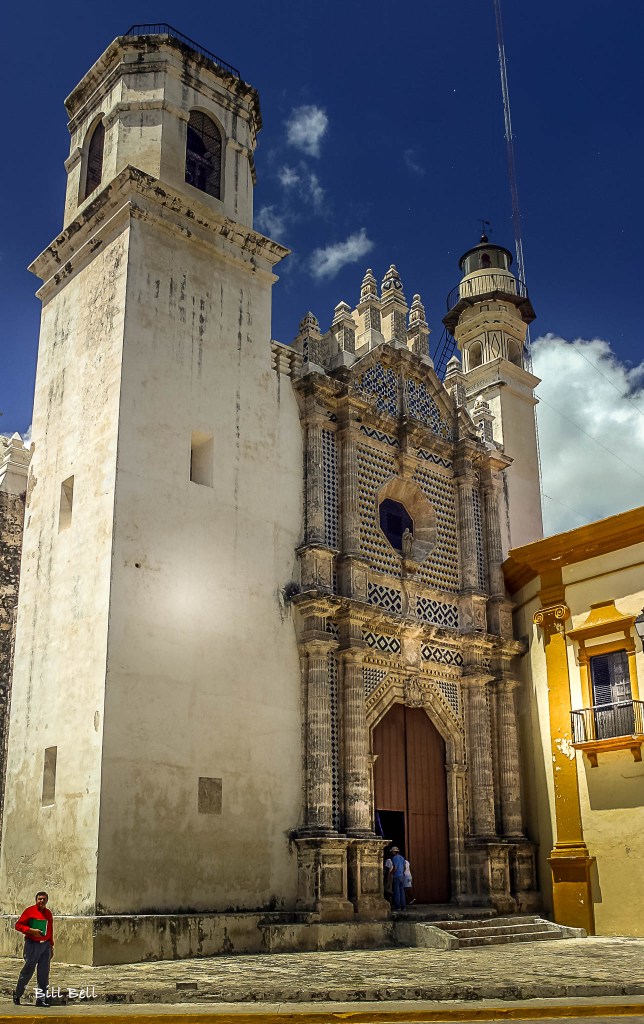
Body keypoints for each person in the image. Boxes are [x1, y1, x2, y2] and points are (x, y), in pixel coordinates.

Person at [13, 891, 54, 1007]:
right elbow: (18, 925)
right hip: (32, 945)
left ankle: (41, 1000)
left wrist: (51, 945)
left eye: (44, 899)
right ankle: (17, 994)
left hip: (45, 946)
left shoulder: (48, 913)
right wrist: (31, 931)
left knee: (43, 973)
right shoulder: (29, 911)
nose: (42, 901)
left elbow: (50, 930)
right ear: (36, 900)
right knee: (28, 971)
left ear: (47, 900)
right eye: (40, 899)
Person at [389, 846, 407, 911]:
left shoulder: (394, 858)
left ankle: (398, 907)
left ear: (394, 852)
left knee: (397, 892)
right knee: (402, 891)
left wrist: (390, 873)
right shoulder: (402, 858)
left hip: (397, 876)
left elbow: (395, 868)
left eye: (392, 852)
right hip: (402, 876)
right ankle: (403, 907)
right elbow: (404, 867)